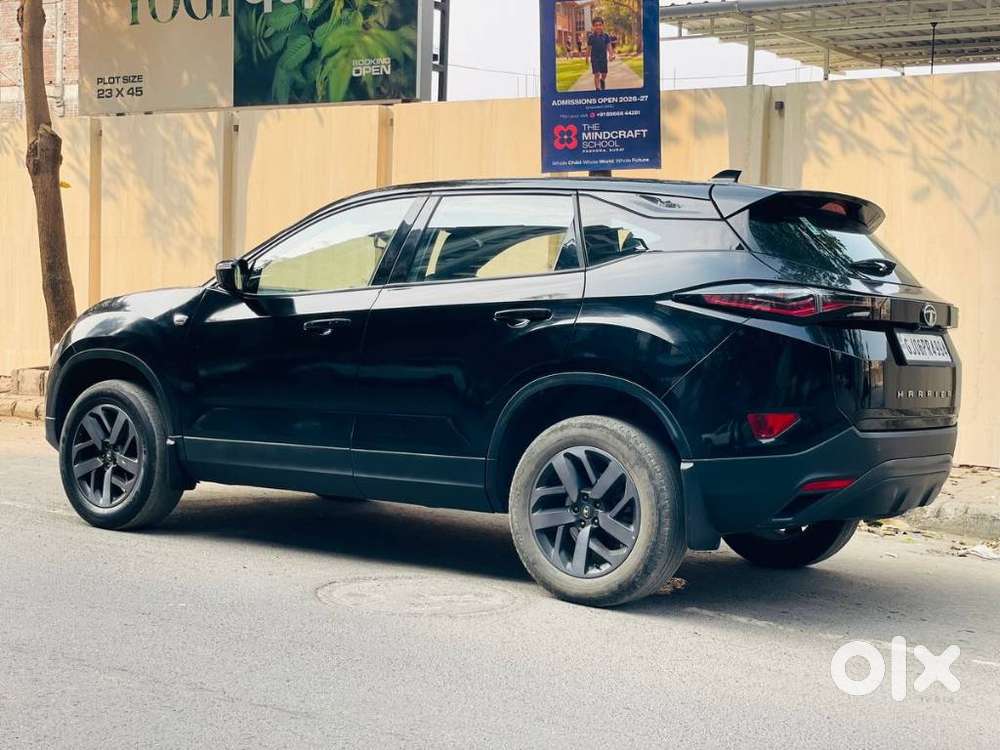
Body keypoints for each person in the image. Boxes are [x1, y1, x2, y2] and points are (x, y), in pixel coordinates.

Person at [587, 17, 616, 91]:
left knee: (604, 74)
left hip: (603, 58)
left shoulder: (606, 36)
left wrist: (611, 55)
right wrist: (587, 57)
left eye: (600, 25)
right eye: (596, 25)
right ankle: (597, 89)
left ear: (603, 25)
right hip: (594, 58)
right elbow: (589, 48)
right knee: (596, 74)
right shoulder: (591, 37)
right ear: (593, 26)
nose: (598, 27)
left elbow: (609, 46)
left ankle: (602, 80)